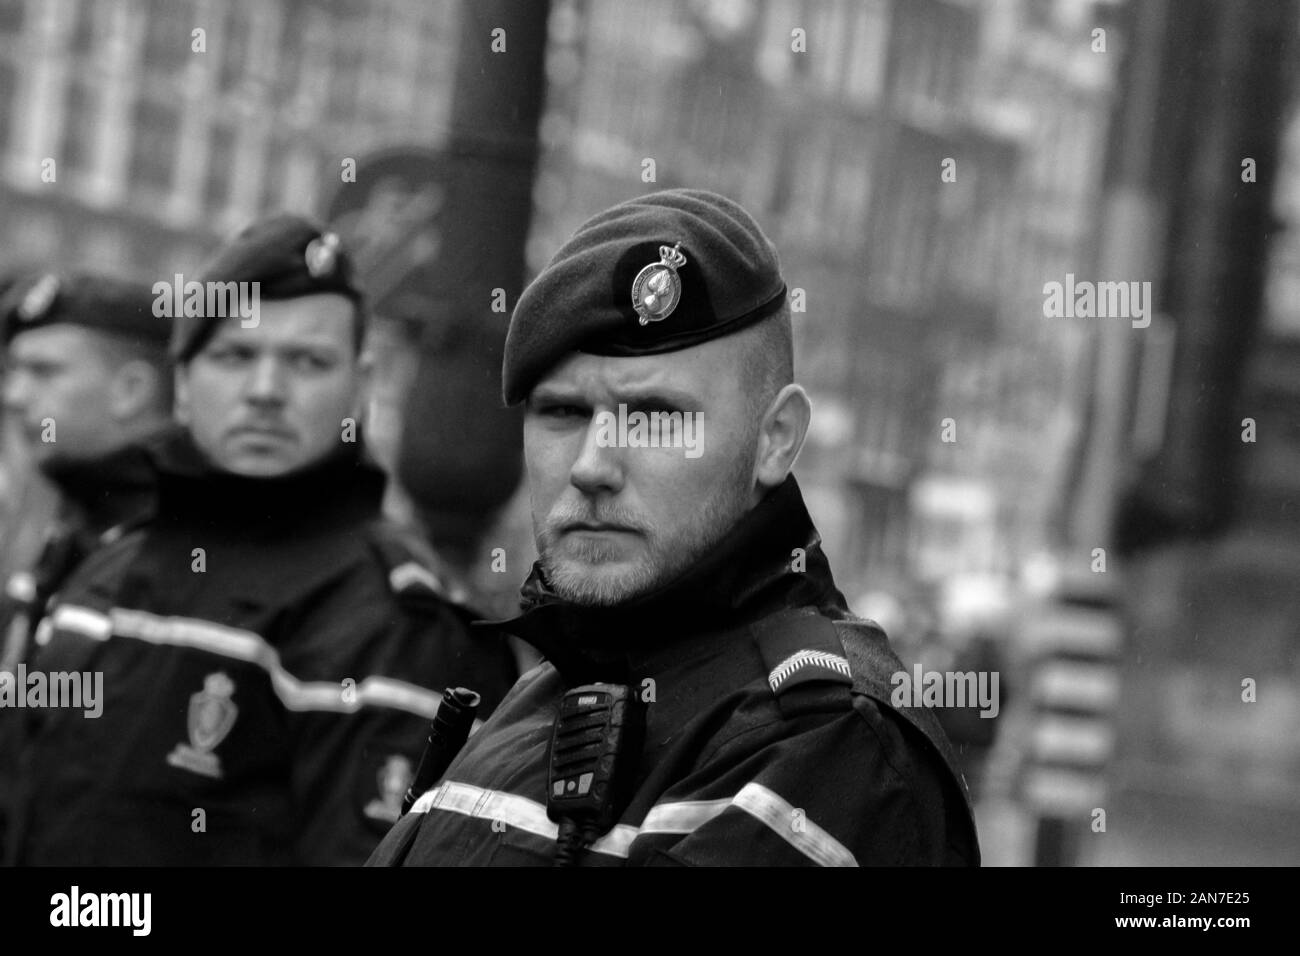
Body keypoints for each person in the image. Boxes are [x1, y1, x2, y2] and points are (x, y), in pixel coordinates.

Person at [369, 189, 980, 866]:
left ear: (776, 439)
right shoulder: (542, 694)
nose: (593, 466)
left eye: (656, 418)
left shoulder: (824, 744)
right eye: (564, 414)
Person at [3, 215, 518, 865]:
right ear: (184, 385)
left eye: (307, 360)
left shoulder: (397, 624)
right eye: (235, 356)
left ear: (360, 388)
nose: (266, 392)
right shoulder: (109, 563)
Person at [0, 272, 173, 859]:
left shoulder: (184, 557)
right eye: (14, 370)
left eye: (44, 372)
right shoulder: (66, 532)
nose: (14, 394)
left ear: (131, 389)